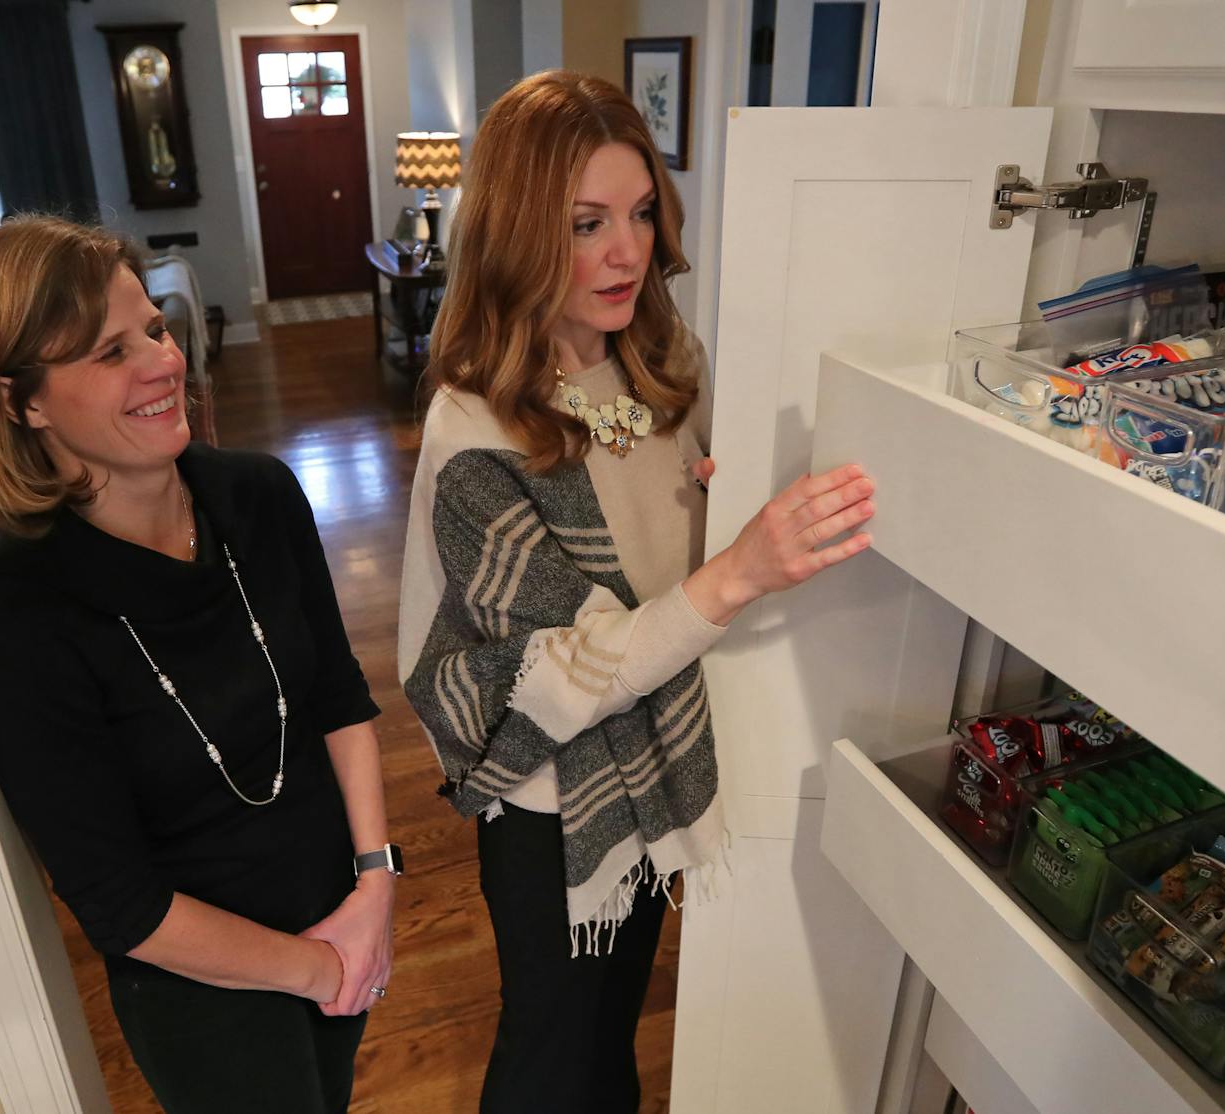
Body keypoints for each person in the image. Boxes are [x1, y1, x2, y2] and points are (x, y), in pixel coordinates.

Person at [398, 71, 876, 1114]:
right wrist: (738, 565)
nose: (629, 251)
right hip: (549, 796)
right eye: (585, 223)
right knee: (549, 1051)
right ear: (520, 234)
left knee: (610, 1029)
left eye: (640, 211)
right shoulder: (472, 432)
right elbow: (562, 676)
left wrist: (723, 500)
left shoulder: (665, 366)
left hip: (650, 760)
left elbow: (672, 552)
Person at [0, 216, 396, 1114]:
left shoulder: (260, 494)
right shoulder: (23, 612)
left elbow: (338, 696)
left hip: (342, 922)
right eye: (111, 353)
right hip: (204, 992)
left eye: (151, 327)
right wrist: (315, 966)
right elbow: (118, 902)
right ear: (21, 399)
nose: (162, 360)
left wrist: (375, 884)